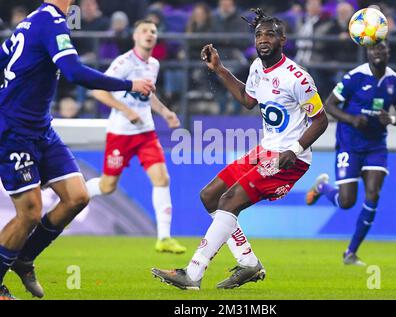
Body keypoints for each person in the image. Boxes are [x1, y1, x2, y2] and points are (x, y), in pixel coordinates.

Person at [151, 8, 328, 290]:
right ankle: (248, 264)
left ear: (283, 40)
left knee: (228, 200)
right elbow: (248, 100)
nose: (263, 39)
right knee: (210, 196)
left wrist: (294, 150)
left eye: (270, 34)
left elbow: (321, 120)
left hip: (289, 159)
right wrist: (220, 69)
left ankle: (192, 274)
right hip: (264, 149)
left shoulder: (298, 78)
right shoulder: (257, 67)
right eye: (259, 34)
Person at [0, 0, 153, 300]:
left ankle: (24, 258)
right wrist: (128, 84)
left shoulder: (33, 21)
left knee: (77, 197)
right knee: (29, 212)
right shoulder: (51, 21)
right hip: (15, 132)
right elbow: (73, 72)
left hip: (41, 130)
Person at [85, 20, 187, 254]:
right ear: (135, 36)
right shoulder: (123, 63)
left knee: (162, 179)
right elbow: (99, 90)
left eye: (153, 31)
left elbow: (148, 95)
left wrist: (165, 112)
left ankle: (164, 238)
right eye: (144, 31)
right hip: (120, 134)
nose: (149, 34)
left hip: (146, 133)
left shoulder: (154, 64)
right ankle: (77, 193)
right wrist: (126, 110)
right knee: (107, 186)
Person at [305, 41, 396, 266]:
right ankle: (323, 188)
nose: (378, 52)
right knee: (346, 201)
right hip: (349, 144)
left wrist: (392, 119)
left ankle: (350, 252)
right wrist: (352, 119)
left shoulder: (395, 81)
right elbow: (329, 105)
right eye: (374, 49)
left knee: (373, 193)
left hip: (376, 146)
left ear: (388, 52)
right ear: (368, 52)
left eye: (382, 49)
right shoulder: (354, 77)